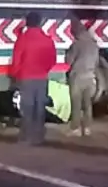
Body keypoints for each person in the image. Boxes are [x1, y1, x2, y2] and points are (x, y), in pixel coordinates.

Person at [9, 11, 57, 145]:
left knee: (27, 108)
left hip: (26, 77)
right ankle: (39, 137)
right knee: (39, 107)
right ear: (40, 23)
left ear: (27, 22)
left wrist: (15, 74)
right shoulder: (47, 40)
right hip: (42, 77)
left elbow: (16, 60)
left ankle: (26, 137)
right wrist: (44, 70)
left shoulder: (22, 39)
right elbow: (52, 60)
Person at [64, 18, 100, 136]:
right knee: (87, 104)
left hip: (77, 77)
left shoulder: (76, 44)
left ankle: (75, 129)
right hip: (90, 76)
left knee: (76, 104)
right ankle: (87, 128)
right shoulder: (94, 45)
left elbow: (69, 61)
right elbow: (96, 62)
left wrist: (67, 53)